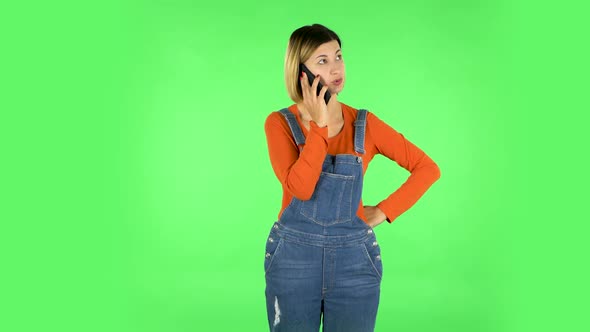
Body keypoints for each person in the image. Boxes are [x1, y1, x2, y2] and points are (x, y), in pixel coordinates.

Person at [263, 23, 441, 332]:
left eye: (338, 56)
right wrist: (319, 126)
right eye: (322, 60)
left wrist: (385, 211)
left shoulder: (364, 124)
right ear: (300, 72)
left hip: (354, 264)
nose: (336, 67)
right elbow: (301, 189)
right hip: (293, 260)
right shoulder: (279, 124)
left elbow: (427, 168)